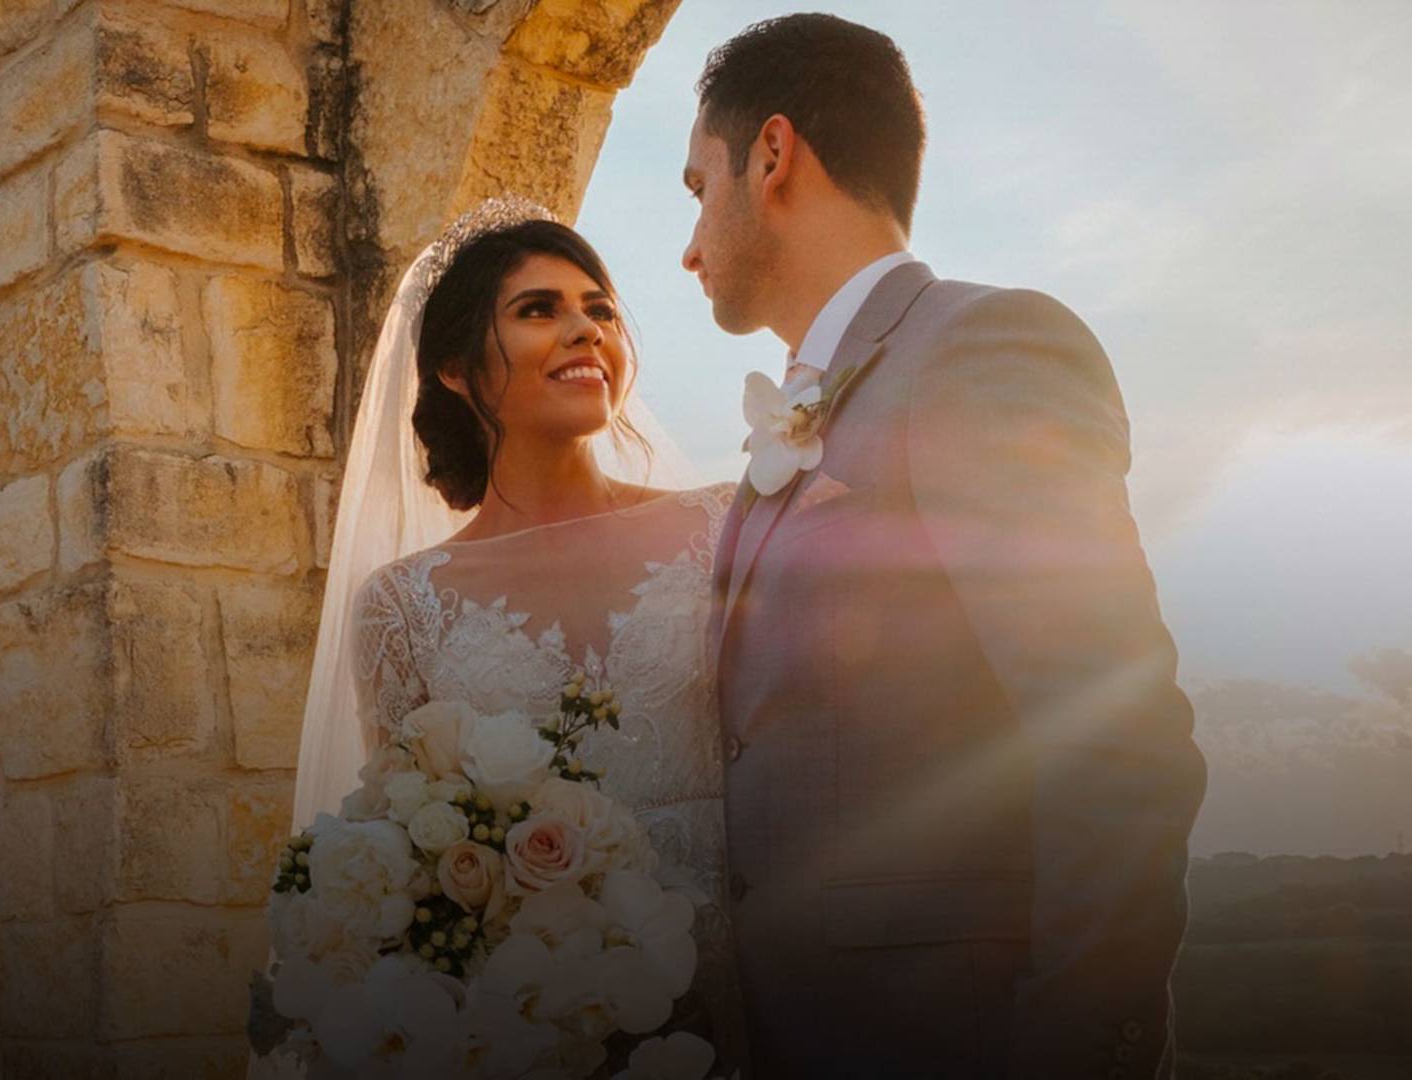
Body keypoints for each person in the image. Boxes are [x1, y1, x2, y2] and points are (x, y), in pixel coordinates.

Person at [684, 14, 1209, 1078]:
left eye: (699, 188)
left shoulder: (982, 346)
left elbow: (1114, 733)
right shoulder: (789, 425)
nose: (688, 245)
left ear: (773, 156)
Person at [288, 197, 747, 1072]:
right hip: (549, 1032)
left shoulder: (721, 529)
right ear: (457, 368)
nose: (585, 331)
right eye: (540, 310)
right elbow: (408, 851)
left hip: (764, 994)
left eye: (599, 309)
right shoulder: (403, 605)